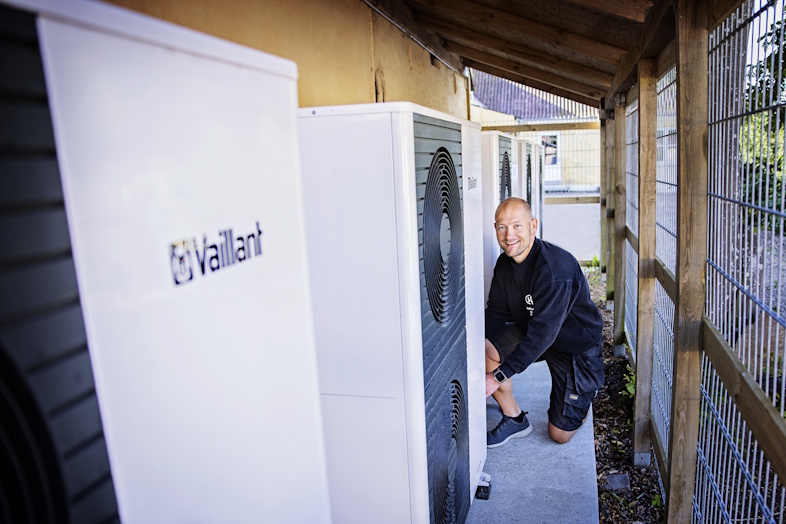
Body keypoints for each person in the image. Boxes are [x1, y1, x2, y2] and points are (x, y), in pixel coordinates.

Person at [484, 197, 604, 447]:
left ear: (533, 225)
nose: (509, 235)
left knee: (559, 434)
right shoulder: (504, 264)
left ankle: (583, 395)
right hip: (533, 331)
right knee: (482, 348)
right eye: (502, 227)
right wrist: (465, 350)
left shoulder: (555, 269)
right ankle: (514, 418)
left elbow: (542, 336)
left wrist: (497, 376)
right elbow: (495, 313)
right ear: (495, 228)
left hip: (574, 347)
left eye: (517, 225)